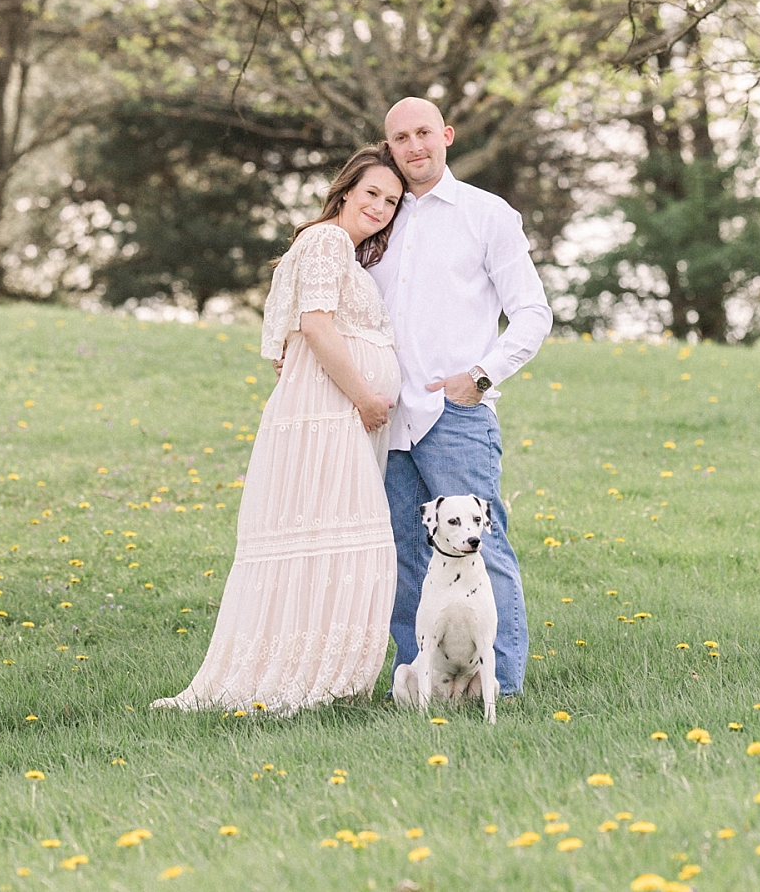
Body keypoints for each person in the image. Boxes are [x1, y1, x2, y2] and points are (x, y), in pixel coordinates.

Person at [153, 145, 405, 713]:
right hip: (334, 413)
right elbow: (315, 324)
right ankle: (308, 680)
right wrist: (365, 396)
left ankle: (324, 678)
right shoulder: (327, 241)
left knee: (337, 544)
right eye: (372, 194)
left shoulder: (337, 250)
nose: (381, 207)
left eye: (392, 201)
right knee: (347, 545)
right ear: (345, 191)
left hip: (334, 413)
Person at [372, 97, 552, 701]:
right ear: (388, 145)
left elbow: (532, 312)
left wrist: (480, 375)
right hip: (385, 416)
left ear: (445, 135)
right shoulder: (379, 215)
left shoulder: (486, 214)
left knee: (484, 543)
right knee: (405, 553)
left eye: (424, 132)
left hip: (457, 416)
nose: (414, 146)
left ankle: (505, 687)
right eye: (400, 138)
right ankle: (420, 686)